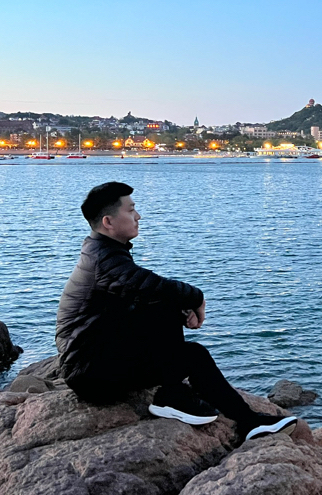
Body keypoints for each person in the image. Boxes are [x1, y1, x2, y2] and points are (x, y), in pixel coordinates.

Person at [55, 181, 297, 441]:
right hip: (90, 373)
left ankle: (188, 399)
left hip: (96, 361)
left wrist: (181, 312)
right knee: (189, 348)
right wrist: (196, 297)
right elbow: (149, 285)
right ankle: (232, 416)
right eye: (131, 210)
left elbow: (142, 296)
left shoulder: (102, 252)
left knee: (176, 326)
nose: (138, 216)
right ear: (108, 222)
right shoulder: (104, 258)